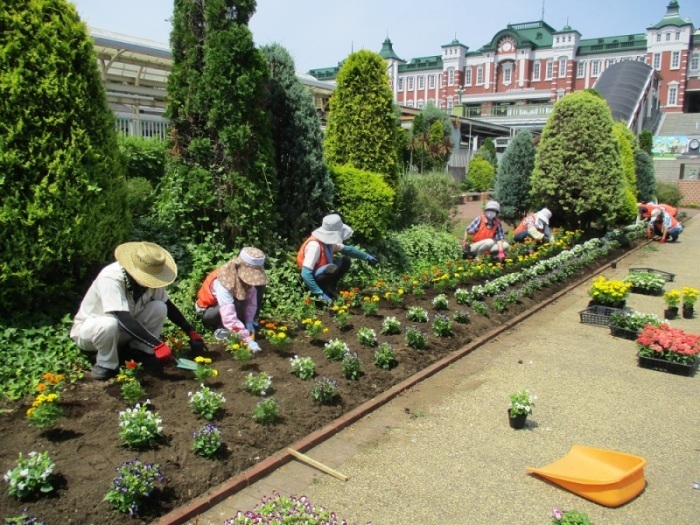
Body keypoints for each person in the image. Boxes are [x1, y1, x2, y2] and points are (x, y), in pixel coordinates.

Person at [70, 242, 206, 381]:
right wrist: (157, 344)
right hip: (94, 333)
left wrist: (190, 330)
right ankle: (107, 364)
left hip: (123, 331)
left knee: (159, 307)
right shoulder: (111, 277)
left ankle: (139, 352)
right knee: (109, 324)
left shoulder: (151, 280)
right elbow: (121, 317)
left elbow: (167, 305)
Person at [195, 247, 267, 351]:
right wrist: (247, 339)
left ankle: (244, 324)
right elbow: (228, 314)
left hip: (227, 307)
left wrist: (249, 321)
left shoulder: (245, 278)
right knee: (237, 300)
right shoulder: (224, 280)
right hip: (210, 311)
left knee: (258, 286)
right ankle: (221, 328)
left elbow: (251, 300)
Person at [297, 214, 379, 301]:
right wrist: (319, 293)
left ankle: (330, 288)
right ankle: (323, 291)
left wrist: (367, 257)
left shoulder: (329, 242)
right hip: (312, 276)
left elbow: (348, 250)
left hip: (323, 271)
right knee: (332, 268)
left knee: (345, 261)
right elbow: (305, 273)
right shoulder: (314, 246)